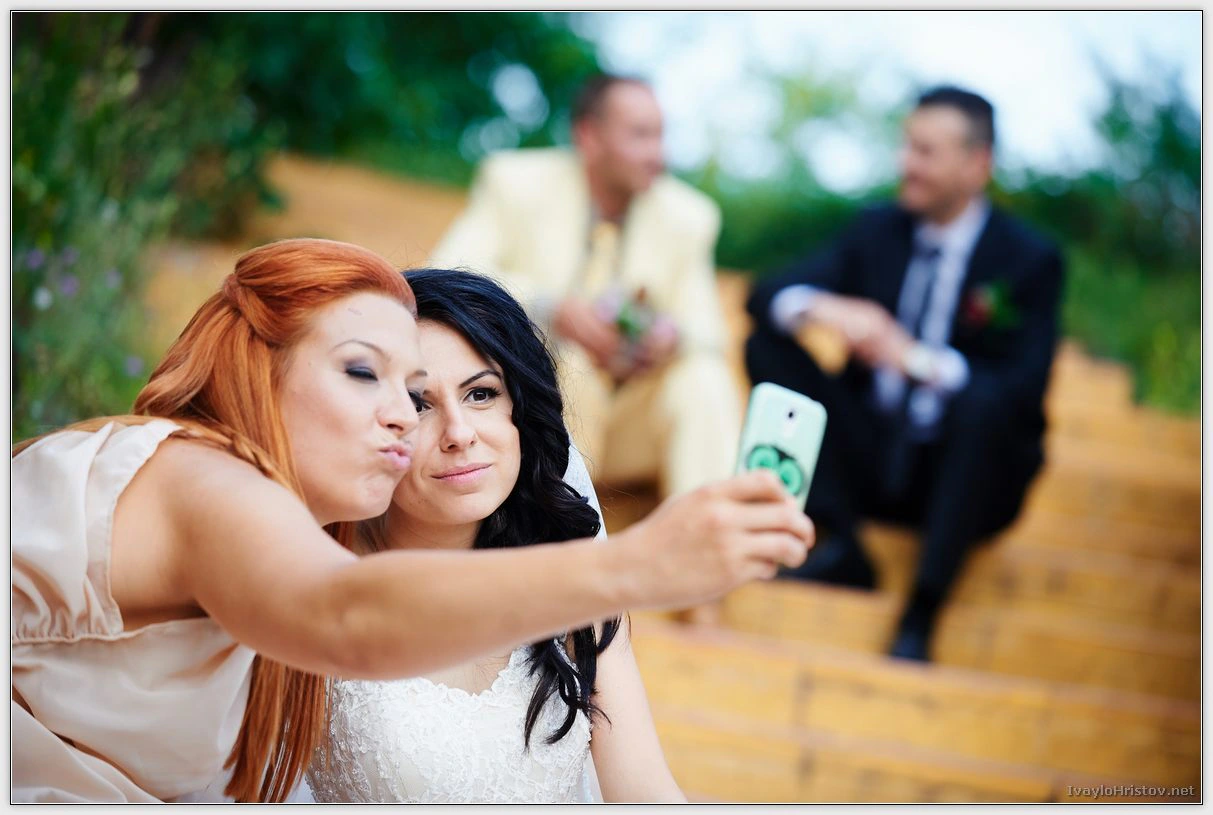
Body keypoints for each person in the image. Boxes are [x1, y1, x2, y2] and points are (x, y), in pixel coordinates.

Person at [12, 238, 814, 802]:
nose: (410, 418)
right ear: (264, 366)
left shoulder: (285, 535)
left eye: (479, 393)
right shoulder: (206, 482)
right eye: (367, 374)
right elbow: (347, 615)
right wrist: (638, 563)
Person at [306, 268, 684, 803]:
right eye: (419, 404)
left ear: (520, 411)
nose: (459, 434)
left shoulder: (576, 585)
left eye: (481, 394)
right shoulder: (316, 576)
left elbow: (646, 793)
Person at [745, 86, 1064, 662]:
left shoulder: (1030, 258)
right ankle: (841, 543)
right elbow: (766, 293)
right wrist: (826, 307)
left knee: (981, 403)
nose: (906, 164)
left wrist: (915, 360)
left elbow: (1025, 390)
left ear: (977, 165)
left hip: (964, 475)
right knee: (767, 345)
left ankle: (923, 609)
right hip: (868, 456)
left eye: (925, 151)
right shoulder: (876, 228)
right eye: (906, 146)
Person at [429, 73, 741, 500]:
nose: (658, 155)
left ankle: (710, 523)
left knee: (703, 375)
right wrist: (550, 308)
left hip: (630, 425)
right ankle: (559, 518)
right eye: (640, 135)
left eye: (660, 135)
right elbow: (445, 275)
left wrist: (669, 339)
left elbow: (708, 333)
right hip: (533, 416)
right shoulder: (514, 181)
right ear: (589, 137)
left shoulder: (689, 216)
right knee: (570, 361)